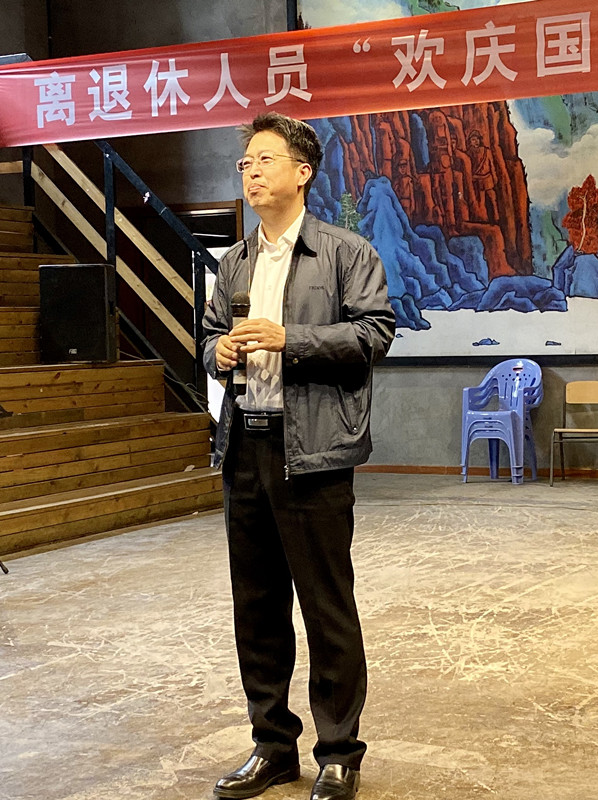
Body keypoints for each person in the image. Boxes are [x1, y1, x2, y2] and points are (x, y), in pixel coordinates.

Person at [202, 112, 395, 800]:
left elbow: (375, 333)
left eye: (265, 160)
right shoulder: (234, 261)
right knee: (255, 608)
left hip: (313, 452)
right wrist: (219, 350)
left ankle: (339, 752)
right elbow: (209, 336)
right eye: (245, 163)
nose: (251, 172)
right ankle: (272, 747)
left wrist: (293, 338)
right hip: (245, 447)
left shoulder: (345, 252)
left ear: (302, 172)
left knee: (325, 607)